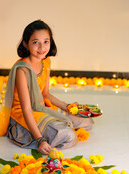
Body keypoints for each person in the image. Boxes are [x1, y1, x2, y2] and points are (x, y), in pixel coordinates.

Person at [5, 20, 93, 154]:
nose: (42, 47)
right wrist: (40, 140)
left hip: (41, 106)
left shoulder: (46, 61)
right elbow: (27, 109)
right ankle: (42, 134)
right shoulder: (22, 70)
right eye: (35, 42)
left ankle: (56, 128)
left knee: (87, 122)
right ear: (25, 44)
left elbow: (45, 94)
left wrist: (68, 107)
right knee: (69, 136)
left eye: (46, 41)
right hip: (23, 114)